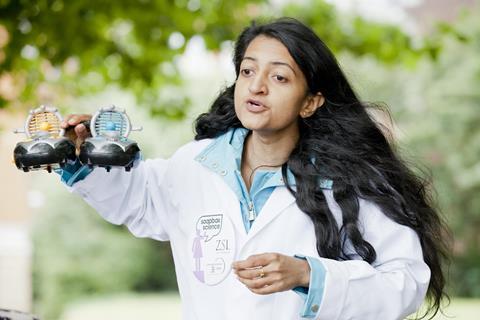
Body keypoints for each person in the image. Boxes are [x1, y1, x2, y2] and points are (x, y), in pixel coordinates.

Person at [59, 18, 450, 320]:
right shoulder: (194, 164)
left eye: (279, 77)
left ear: (310, 102)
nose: (257, 86)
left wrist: (308, 275)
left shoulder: (351, 180)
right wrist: (86, 157)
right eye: (248, 71)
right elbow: (137, 199)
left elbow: (405, 282)